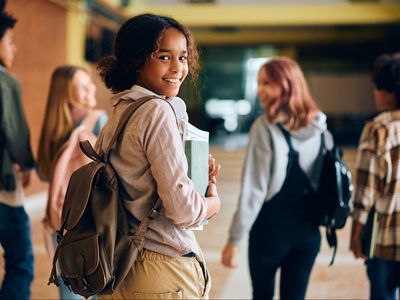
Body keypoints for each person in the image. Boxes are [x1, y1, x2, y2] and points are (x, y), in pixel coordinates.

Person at [95, 13, 221, 299]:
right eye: (164, 57)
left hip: (118, 264)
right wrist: (213, 201)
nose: (177, 68)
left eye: (183, 58)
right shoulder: (157, 111)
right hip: (161, 269)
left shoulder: (120, 111)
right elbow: (183, 210)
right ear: (137, 60)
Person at [221, 57, 331, 299]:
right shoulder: (321, 128)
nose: (259, 90)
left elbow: (253, 191)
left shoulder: (265, 128)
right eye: (258, 82)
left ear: (286, 85)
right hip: (309, 234)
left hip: (269, 233)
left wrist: (234, 240)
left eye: (266, 83)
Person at [36, 65, 107, 299]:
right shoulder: (97, 120)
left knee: (70, 293)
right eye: (81, 86)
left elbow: (45, 173)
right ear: (65, 92)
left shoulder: (53, 130)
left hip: (60, 223)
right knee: (94, 288)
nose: (90, 89)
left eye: (89, 83)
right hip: (90, 223)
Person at [350, 53, 400, 300]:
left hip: (384, 239)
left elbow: (365, 189)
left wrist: (356, 232)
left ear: (388, 90)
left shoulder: (378, 129)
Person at [0, 10, 36, 299]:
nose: (14, 48)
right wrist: (26, 166)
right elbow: (15, 132)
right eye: (10, 41)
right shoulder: (5, 82)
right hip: (3, 190)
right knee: (21, 264)